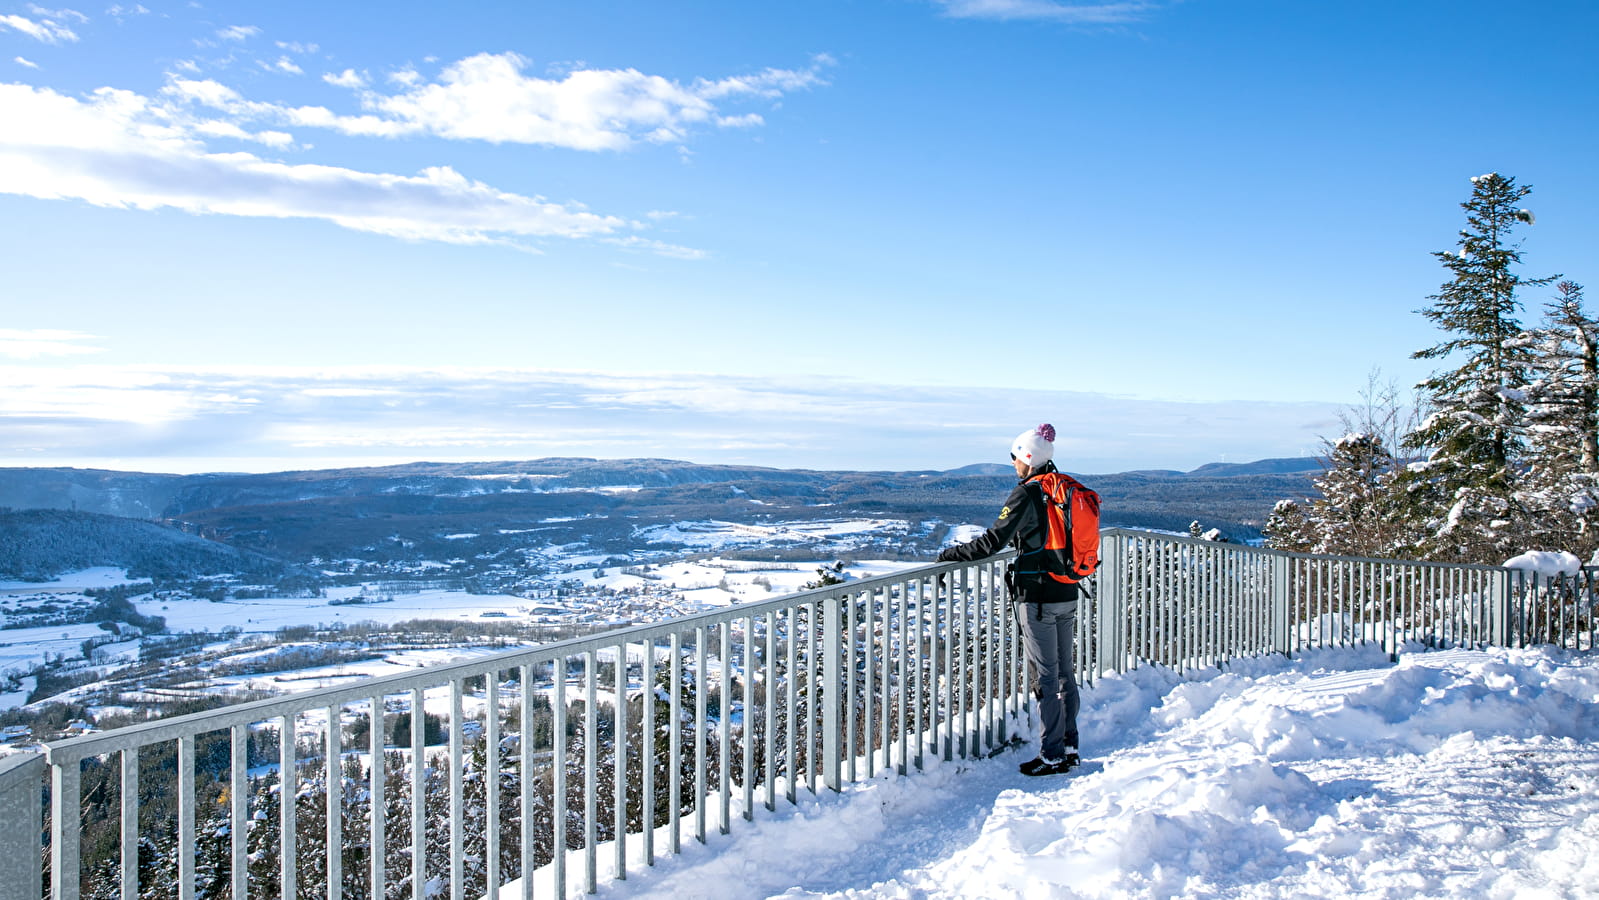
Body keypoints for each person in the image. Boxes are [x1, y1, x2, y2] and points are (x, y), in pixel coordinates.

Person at [937, 423, 1081, 776]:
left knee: (1045, 677)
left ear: (1028, 458)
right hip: (1067, 589)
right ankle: (1070, 746)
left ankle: (1052, 755)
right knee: (1065, 673)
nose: (1014, 464)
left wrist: (949, 555)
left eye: (1016, 457)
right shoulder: (1065, 488)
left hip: (1037, 596)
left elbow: (992, 542)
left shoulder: (1027, 494)